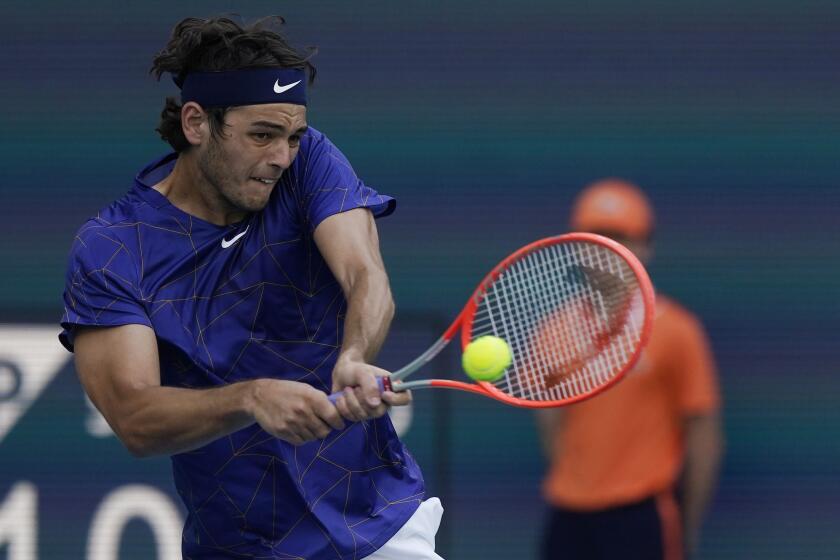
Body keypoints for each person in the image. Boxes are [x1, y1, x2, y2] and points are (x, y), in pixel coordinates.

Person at [59, 16, 443, 560]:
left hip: (376, 528)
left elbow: (365, 273)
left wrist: (355, 355)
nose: (281, 156)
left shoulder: (309, 164)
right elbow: (134, 417)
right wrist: (252, 398)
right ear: (196, 123)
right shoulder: (112, 249)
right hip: (238, 546)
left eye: (292, 137)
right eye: (262, 135)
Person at [536, 179, 724, 560]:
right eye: (593, 237)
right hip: (568, 515)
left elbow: (705, 436)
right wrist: (581, 479)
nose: (603, 249)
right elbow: (549, 420)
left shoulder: (677, 330)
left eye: (619, 236)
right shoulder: (555, 328)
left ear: (645, 247)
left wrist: (687, 524)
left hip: (640, 516)